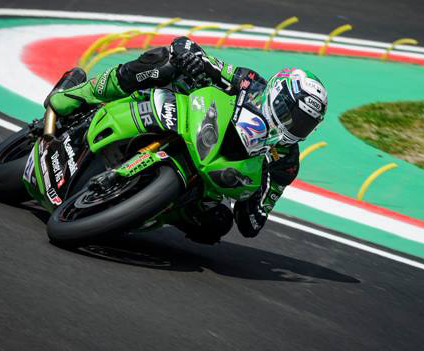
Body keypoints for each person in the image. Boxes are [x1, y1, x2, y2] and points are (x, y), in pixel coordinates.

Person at [47, 37, 328, 244]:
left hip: (211, 179)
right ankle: (80, 94)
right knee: (163, 62)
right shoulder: (250, 82)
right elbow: (199, 56)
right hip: (196, 121)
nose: (292, 125)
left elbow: (251, 223)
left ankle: (143, 208)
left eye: (303, 124)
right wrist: (192, 57)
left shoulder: (287, 162)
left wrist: (260, 187)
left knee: (217, 224)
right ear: (274, 94)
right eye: (288, 113)